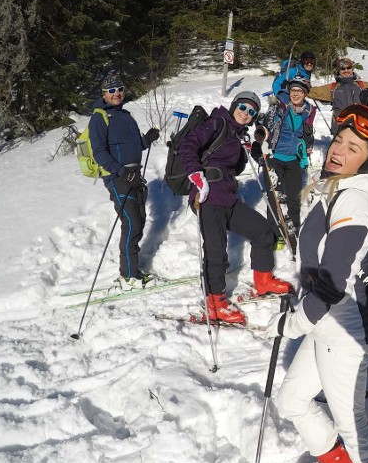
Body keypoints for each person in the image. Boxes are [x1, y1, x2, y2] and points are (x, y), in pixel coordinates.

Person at [272, 104, 368, 463]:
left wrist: (295, 321)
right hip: (324, 324)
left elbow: (333, 277)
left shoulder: (355, 201)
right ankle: (335, 459)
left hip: (344, 326)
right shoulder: (332, 189)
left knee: (350, 417)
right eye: (339, 141)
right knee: (290, 400)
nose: (338, 151)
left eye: (353, 147)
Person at [178, 90, 291, 325]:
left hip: (227, 197)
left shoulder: (236, 134)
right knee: (216, 249)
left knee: (262, 231)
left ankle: (263, 280)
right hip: (207, 195)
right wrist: (196, 174)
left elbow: (237, 168)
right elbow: (188, 145)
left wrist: (251, 147)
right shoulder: (217, 122)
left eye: (251, 111)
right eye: (242, 107)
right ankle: (215, 301)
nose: (246, 113)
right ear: (233, 106)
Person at [88, 72, 160, 289]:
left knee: (139, 220)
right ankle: (128, 275)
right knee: (131, 222)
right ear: (104, 94)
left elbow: (137, 146)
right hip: (117, 177)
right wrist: (122, 172)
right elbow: (99, 153)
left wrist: (148, 138)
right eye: (111, 90)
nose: (116, 93)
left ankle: (133, 270)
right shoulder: (99, 118)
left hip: (134, 175)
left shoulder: (126, 115)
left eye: (119, 89)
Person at [257, 77, 317, 232]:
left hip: (294, 160)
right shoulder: (280, 106)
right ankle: (276, 233)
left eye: (300, 91)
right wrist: (261, 134)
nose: (295, 94)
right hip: (274, 158)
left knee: (294, 198)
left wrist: (307, 145)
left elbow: (307, 132)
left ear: (305, 94)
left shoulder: (308, 111)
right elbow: (266, 125)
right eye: (293, 90)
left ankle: (295, 228)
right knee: (274, 198)